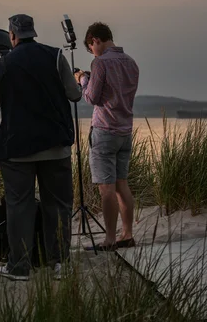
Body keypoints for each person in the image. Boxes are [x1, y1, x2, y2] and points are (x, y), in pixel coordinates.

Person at [0, 14, 82, 281]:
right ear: (33, 32)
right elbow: (74, 95)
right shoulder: (55, 57)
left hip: (17, 147)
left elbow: (0, 102)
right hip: (55, 145)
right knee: (59, 205)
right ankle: (60, 263)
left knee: (19, 206)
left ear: (12, 36)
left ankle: (19, 267)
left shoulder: (1, 67)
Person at [74, 22, 139, 251]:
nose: (92, 52)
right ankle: (127, 234)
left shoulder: (100, 63)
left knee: (107, 189)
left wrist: (83, 79)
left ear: (95, 40)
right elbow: (118, 92)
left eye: (91, 47)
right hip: (125, 131)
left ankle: (110, 240)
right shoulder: (131, 63)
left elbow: (92, 98)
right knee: (122, 184)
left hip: (104, 132)